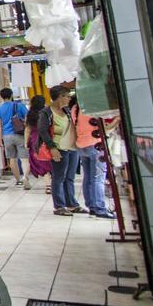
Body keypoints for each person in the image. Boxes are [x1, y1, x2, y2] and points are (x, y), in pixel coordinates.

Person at [37, 86, 87, 216]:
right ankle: (59, 206)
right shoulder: (46, 112)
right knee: (59, 177)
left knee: (69, 177)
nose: (69, 98)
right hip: (58, 148)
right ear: (60, 97)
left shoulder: (67, 110)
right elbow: (42, 131)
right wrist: (52, 148)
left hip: (71, 147)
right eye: (67, 96)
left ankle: (71, 204)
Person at [71, 97, 113, 218]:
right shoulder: (94, 106)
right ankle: (100, 208)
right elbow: (105, 128)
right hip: (95, 144)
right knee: (98, 178)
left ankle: (92, 207)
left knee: (88, 177)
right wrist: (116, 120)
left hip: (81, 145)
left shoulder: (75, 108)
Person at [0, 87, 30, 189]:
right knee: (24, 159)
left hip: (7, 136)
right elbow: (28, 122)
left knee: (12, 159)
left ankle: (18, 180)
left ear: (1, 97)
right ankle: (25, 177)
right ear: (11, 95)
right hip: (20, 134)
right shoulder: (20, 106)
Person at [25, 94, 52, 193]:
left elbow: (28, 129)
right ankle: (49, 185)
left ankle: (26, 177)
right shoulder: (47, 112)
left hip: (34, 138)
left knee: (36, 160)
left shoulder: (30, 114)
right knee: (47, 161)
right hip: (46, 137)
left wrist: (25, 142)